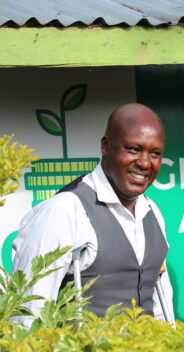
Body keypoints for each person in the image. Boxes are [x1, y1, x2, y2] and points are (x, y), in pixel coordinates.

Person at [13, 103, 173, 323]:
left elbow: (161, 303)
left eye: (155, 153)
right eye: (134, 149)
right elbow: (28, 313)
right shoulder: (64, 211)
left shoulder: (151, 211)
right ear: (106, 146)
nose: (145, 163)